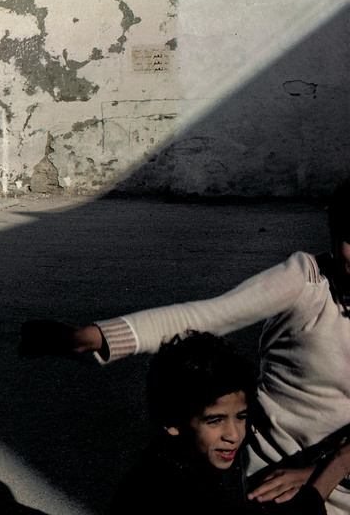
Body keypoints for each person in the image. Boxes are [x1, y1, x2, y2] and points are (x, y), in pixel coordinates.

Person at [20, 181, 350, 513]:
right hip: (274, 483)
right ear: (333, 234)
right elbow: (208, 316)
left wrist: (320, 472)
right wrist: (92, 338)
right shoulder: (307, 281)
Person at [111, 331, 326, 514]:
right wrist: (339, 462)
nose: (233, 435)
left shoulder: (172, 460)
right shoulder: (168, 491)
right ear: (171, 422)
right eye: (215, 421)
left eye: (241, 417)